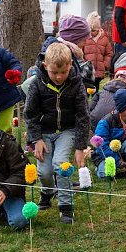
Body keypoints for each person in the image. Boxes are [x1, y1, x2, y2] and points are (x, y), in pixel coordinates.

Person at [23, 42, 90, 225]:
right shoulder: (37, 84)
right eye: (54, 73)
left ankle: (66, 206)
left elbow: (83, 116)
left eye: (63, 72)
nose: (59, 77)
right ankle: (47, 191)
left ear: (69, 66)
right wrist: (35, 139)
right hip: (44, 132)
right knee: (44, 172)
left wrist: (80, 146)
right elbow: (30, 114)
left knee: (61, 166)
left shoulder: (77, 84)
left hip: (67, 132)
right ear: (45, 66)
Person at [92, 89, 126, 178]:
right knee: (106, 175)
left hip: (122, 151)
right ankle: (101, 167)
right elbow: (101, 145)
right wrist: (117, 161)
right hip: (105, 155)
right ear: (123, 108)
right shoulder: (106, 121)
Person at [83, 11, 113, 92]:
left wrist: (105, 64)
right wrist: (84, 64)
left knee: (95, 91)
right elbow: (81, 53)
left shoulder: (104, 39)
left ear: (98, 29)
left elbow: (109, 53)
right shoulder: (84, 39)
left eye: (93, 31)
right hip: (87, 72)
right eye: (89, 30)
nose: (91, 33)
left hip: (99, 72)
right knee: (86, 91)